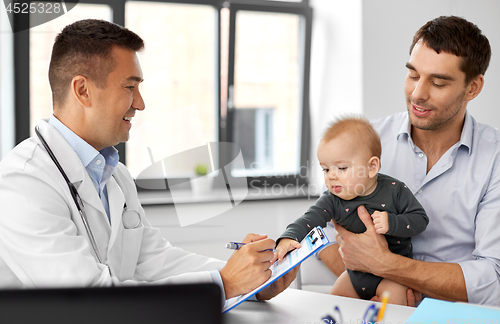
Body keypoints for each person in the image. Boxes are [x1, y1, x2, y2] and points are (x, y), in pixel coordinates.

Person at [0, 19, 296, 302]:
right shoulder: (24, 182)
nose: (140, 103)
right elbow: (85, 299)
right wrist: (226, 284)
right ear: (82, 90)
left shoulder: (115, 175)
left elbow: (156, 260)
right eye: (130, 87)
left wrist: (251, 282)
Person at [319, 15, 500, 306]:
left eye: (438, 83)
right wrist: (375, 288)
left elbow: (493, 277)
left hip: (454, 321)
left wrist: (387, 266)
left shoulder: (494, 159)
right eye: (413, 75)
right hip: (371, 309)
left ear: (473, 88)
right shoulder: (368, 139)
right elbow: (324, 231)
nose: (417, 94)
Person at [275, 117, 428, 305]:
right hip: (354, 276)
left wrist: (391, 222)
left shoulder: (395, 190)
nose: (331, 176)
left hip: (392, 276)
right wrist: (288, 238)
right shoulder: (332, 199)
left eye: (341, 168)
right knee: (333, 309)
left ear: (372, 167)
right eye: (325, 169)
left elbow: (420, 220)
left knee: (393, 311)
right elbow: (310, 219)